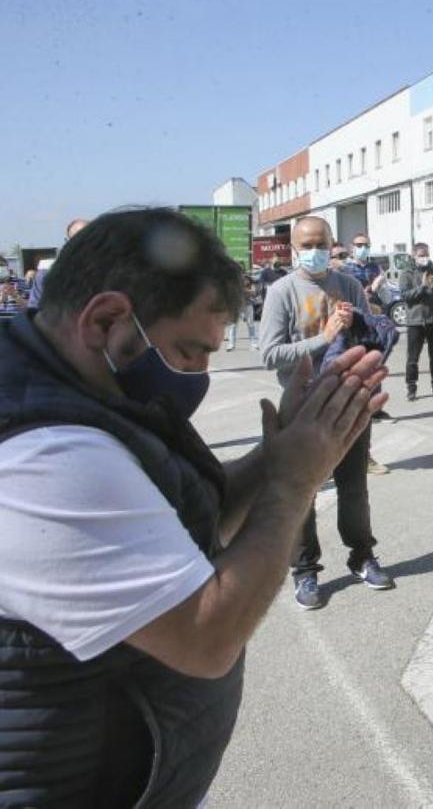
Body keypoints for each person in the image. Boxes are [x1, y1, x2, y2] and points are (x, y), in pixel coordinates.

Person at [0, 208, 386, 806]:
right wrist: (291, 483)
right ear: (105, 320)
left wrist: (272, 458)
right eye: (186, 350)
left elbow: (188, 517)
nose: (202, 373)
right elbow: (205, 637)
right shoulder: (50, 454)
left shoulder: (84, 391)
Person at [259, 216, 398, 608]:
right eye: (306, 244)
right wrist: (324, 338)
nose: (314, 250)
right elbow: (269, 355)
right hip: (302, 407)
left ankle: (362, 556)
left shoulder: (348, 285)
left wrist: (360, 326)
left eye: (321, 242)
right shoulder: (282, 291)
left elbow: (373, 335)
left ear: (332, 242)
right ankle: (305, 571)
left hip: (350, 401)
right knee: (304, 492)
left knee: (354, 488)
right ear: (294, 249)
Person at [400, 243, 433, 400]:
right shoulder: (407, 273)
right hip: (415, 322)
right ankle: (411, 388)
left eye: (426, 254)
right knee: (413, 358)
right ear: (414, 255)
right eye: (421, 255)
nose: (424, 258)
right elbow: (405, 296)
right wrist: (422, 286)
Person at [225, 274, 259, 351]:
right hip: (237, 305)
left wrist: (243, 291)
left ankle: (254, 344)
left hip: (248, 305)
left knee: (250, 324)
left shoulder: (249, 279)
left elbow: (253, 292)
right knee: (233, 325)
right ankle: (231, 345)